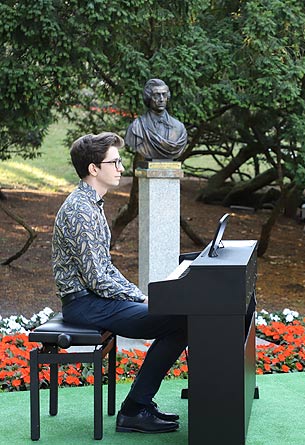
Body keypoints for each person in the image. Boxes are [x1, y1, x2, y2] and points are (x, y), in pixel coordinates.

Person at [52, 132, 187, 433]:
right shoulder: (80, 211)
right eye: (114, 162)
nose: (121, 168)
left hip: (95, 300)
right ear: (93, 169)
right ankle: (134, 410)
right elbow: (98, 278)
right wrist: (140, 300)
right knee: (182, 320)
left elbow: (106, 268)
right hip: (85, 304)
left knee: (182, 319)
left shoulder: (92, 205)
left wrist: (139, 296)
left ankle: (138, 405)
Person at [125, 78, 187, 160]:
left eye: (164, 95)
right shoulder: (136, 127)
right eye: (156, 95)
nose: (161, 99)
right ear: (149, 97)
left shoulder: (180, 128)